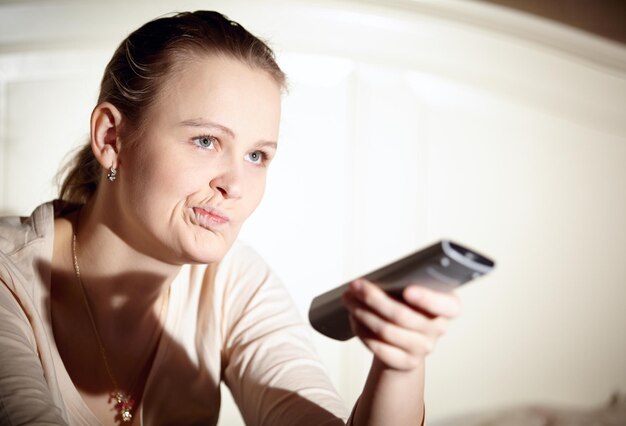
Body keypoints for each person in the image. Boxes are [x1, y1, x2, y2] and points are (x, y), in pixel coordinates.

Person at [0, 10, 461, 426]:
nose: (235, 185)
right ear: (111, 138)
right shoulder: (9, 278)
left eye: (257, 155)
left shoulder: (234, 281)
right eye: (206, 141)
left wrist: (400, 365)